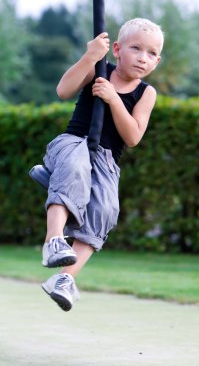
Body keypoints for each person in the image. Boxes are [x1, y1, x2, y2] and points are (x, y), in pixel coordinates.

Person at [41, 18, 164, 311]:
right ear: (118, 49)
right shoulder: (100, 69)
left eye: (150, 53)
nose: (142, 58)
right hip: (74, 143)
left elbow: (133, 136)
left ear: (157, 61)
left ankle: (64, 279)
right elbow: (63, 90)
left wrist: (113, 98)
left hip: (107, 159)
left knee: (106, 209)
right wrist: (91, 56)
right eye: (136, 48)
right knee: (76, 169)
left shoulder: (146, 93)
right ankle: (54, 240)